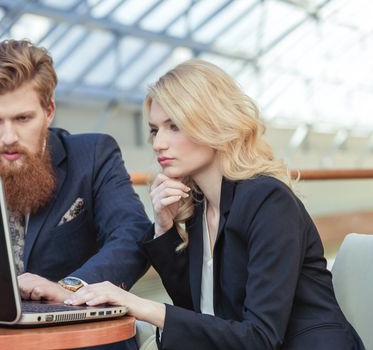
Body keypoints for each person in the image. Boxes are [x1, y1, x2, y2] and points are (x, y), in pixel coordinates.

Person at [65, 59, 365, 349]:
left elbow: (260, 338)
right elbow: (200, 318)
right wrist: (164, 227)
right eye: (155, 130)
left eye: (175, 126)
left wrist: (139, 305)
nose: (158, 143)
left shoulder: (269, 201)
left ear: (213, 125)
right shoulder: (200, 208)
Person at [0, 39, 151, 349]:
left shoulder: (93, 155)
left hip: (81, 342)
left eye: (22, 119)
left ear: (49, 111)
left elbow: (132, 233)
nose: (8, 137)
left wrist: (71, 289)